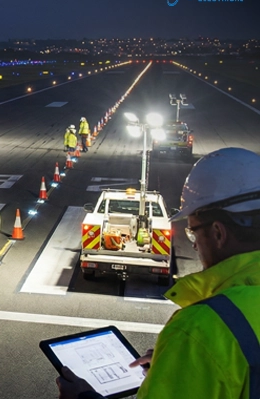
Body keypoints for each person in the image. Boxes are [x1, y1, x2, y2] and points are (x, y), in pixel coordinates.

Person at [57, 147, 260, 399]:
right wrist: (176, 365)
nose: (194, 245)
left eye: (193, 232)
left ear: (218, 233)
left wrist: (83, 397)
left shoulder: (201, 330)